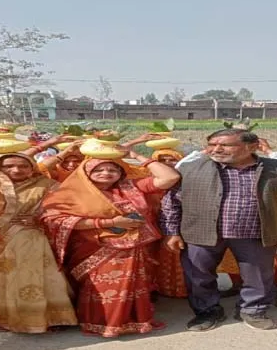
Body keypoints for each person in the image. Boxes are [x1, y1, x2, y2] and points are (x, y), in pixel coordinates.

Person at [161, 129, 277, 331]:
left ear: (252, 147)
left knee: (259, 274)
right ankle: (207, 311)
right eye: (212, 144)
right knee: (198, 275)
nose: (216, 149)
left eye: (224, 145)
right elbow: (171, 201)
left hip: (255, 232)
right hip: (201, 231)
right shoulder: (191, 169)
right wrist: (171, 231)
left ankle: (253, 310)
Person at [43, 144, 181, 337]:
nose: (106, 173)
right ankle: (102, 323)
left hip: (134, 248)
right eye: (98, 169)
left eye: (112, 169)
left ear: (120, 172)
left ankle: (135, 321)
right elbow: (55, 219)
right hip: (94, 248)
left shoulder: (130, 187)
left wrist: (135, 154)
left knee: (133, 286)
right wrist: (109, 222)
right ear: (85, 172)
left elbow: (170, 177)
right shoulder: (71, 192)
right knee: (102, 287)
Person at [0, 152, 77, 333]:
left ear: (32, 168)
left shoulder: (48, 185)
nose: (17, 170)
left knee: (34, 274)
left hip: (32, 238)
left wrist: (40, 220)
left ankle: (48, 316)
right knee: (3, 278)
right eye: (9, 166)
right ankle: (10, 313)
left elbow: (64, 209)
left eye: (24, 166)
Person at [151, 148, 189, 298]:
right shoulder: (146, 178)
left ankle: (183, 289)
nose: (167, 163)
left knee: (179, 257)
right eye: (162, 160)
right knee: (157, 257)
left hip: (179, 225)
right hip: (152, 225)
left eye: (172, 159)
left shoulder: (187, 177)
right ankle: (160, 288)